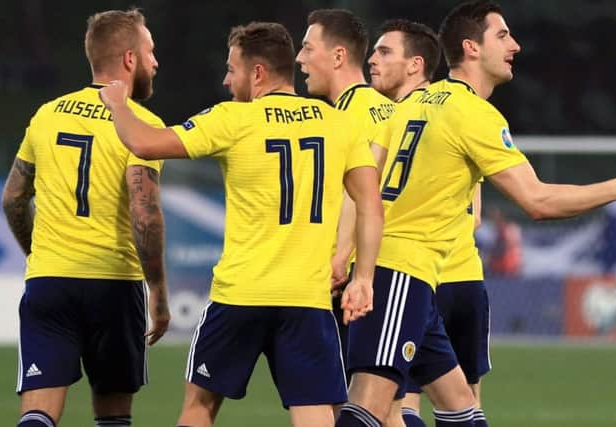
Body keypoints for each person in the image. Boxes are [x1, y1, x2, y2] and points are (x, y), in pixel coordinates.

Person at [335, 2, 616, 427]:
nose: (515, 45)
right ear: (471, 48)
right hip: (399, 271)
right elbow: (538, 201)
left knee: (461, 408)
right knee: (368, 405)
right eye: (502, 35)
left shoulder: (410, 103)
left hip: (414, 276)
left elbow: (362, 187)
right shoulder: (474, 115)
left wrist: (342, 256)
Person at [99, 21, 384, 427]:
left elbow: (144, 142)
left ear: (258, 73)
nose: (226, 79)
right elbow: (371, 205)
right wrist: (364, 277)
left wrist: (118, 105)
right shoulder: (338, 123)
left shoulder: (234, 119)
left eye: (232, 69)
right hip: (306, 298)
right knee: (316, 413)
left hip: (240, 295)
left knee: (199, 407)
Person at [1, 8, 170, 427]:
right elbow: (144, 212)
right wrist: (159, 292)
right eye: (149, 51)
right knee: (113, 416)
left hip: (50, 282)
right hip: (113, 286)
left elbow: (13, 199)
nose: (155, 61)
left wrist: (39, 254)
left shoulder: (47, 114)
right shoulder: (143, 125)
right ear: (129, 59)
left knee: (38, 412)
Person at [368, 19, 491, 427]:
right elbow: (474, 214)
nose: (374, 59)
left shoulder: (392, 116)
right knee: (463, 402)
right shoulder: (462, 113)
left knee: (395, 404)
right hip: (458, 273)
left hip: (411, 272)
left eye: (384, 52)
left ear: (416, 64)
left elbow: (362, 196)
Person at [296, 8, 395, 365]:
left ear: (338, 56)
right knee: (388, 403)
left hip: (356, 275)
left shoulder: (345, 119)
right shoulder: (387, 108)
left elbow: (360, 194)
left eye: (308, 49)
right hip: (397, 268)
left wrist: (339, 257)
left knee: (353, 401)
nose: (299, 58)